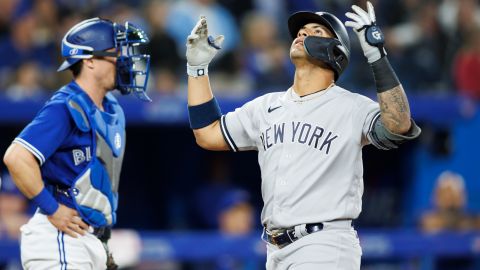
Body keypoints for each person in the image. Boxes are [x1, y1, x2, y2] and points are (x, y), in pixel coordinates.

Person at [185, 1, 421, 269]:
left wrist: (377, 56)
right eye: (300, 31)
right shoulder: (266, 106)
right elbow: (208, 133)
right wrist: (197, 71)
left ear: (336, 52)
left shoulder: (351, 106)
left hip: (325, 245)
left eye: (315, 31)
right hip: (275, 249)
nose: (301, 34)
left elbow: (398, 124)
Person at [2, 17, 151, 270]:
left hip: (88, 239)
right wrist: (53, 209)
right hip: (59, 237)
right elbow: (16, 157)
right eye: (115, 52)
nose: (124, 60)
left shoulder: (112, 108)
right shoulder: (65, 106)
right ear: (90, 60)